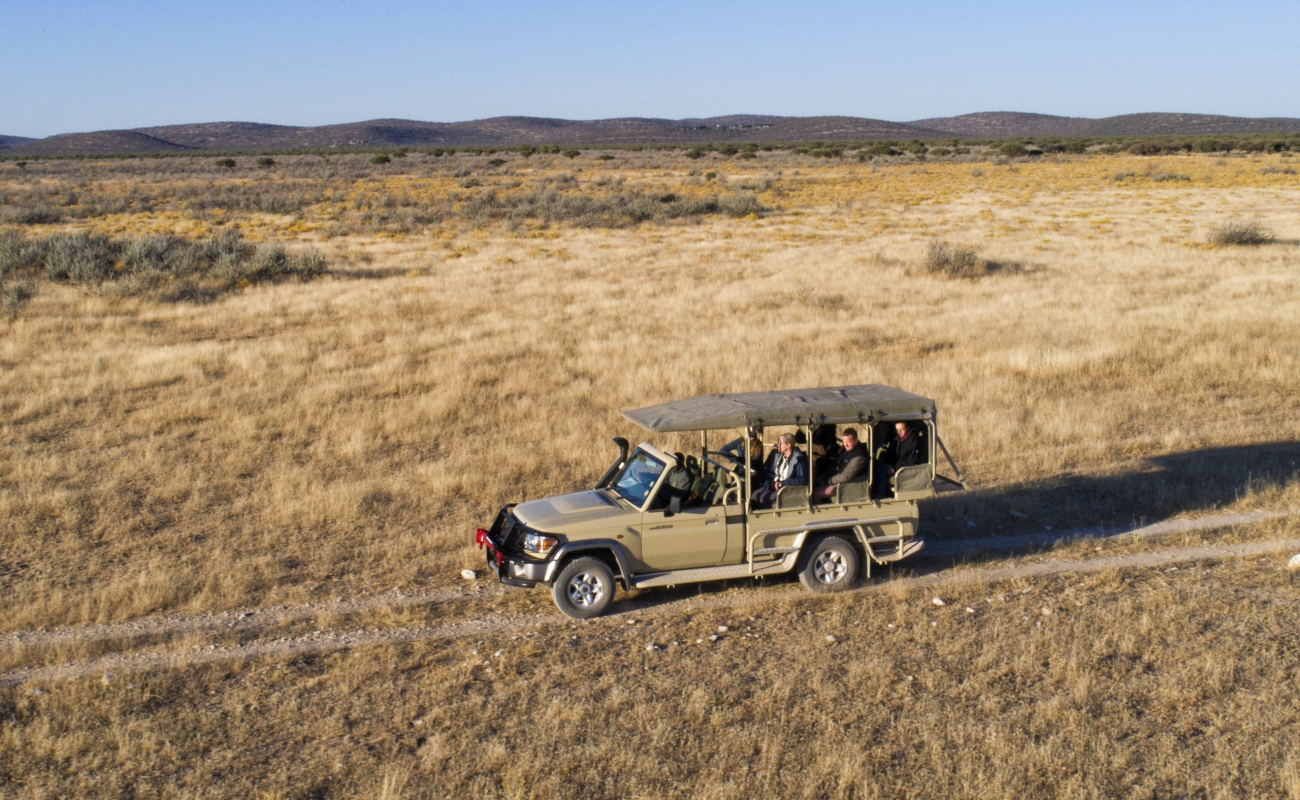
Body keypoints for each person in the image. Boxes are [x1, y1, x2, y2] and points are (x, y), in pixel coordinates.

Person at [751, 433, 808, 508]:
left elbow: (802, 480)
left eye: (781, 444)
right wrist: (766, 485)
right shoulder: (779, 456)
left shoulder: (799, 459)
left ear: (788, 445)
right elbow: (771, 473)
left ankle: (769, 517)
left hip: (788, 490)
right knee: (754, 495)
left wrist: (782, 483)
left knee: (762, 498)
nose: (778, 445)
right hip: (776, 486)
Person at [812, 428, 867, 501]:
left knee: (814, 493)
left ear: (856, 440)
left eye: (848, 442)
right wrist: (823, 478)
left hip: (850, 485)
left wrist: (827, 481)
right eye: (844, 442)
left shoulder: (859, 456)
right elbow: (834, 465)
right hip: (839, 481)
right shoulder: (844, 450)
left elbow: (844, 476)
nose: (845, 445)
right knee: (813, 484)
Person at [875, 421, 925, 495]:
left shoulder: (914, 442)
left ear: (908, 428)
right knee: (875, 466)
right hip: (893, 465)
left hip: (904, 469)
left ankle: (879, 496)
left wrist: (894, 468)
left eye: (902, 429)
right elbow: (890, 454)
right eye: (897, 430)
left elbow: (912, 461)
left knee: (881, 470)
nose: (899, 432)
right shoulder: (896, 440)